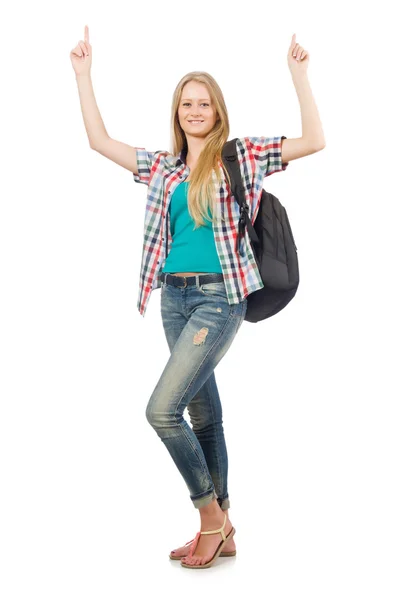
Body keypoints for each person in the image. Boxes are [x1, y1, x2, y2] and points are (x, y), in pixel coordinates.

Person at [71, 26, 325, 569]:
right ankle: (225, 529)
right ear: (177, 111)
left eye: (203, 102)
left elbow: (313, 141)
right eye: (186, 103)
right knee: (203, 414)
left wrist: (299, 77)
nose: (194, 110)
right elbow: (99, 141)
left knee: (162, 411)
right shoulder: (163, 168)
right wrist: (83, 75)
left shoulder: (242, 156)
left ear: (217, 111)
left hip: (218, 299)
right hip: (173, 298)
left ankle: (211, 517)